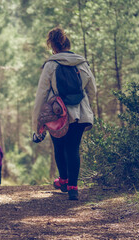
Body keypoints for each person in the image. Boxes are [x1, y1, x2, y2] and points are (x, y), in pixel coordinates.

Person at [32, 27, 97, 200]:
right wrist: (86, 106)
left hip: (57, 114)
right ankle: (73, 188)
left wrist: (37, 125)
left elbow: (41, 95)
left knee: (59, 147)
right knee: (73, 148)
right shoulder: (82, 63)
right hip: (80, 113)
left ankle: (63, 180)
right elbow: (93, 91)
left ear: (53, 47)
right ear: (68, 44)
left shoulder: (51, 64)